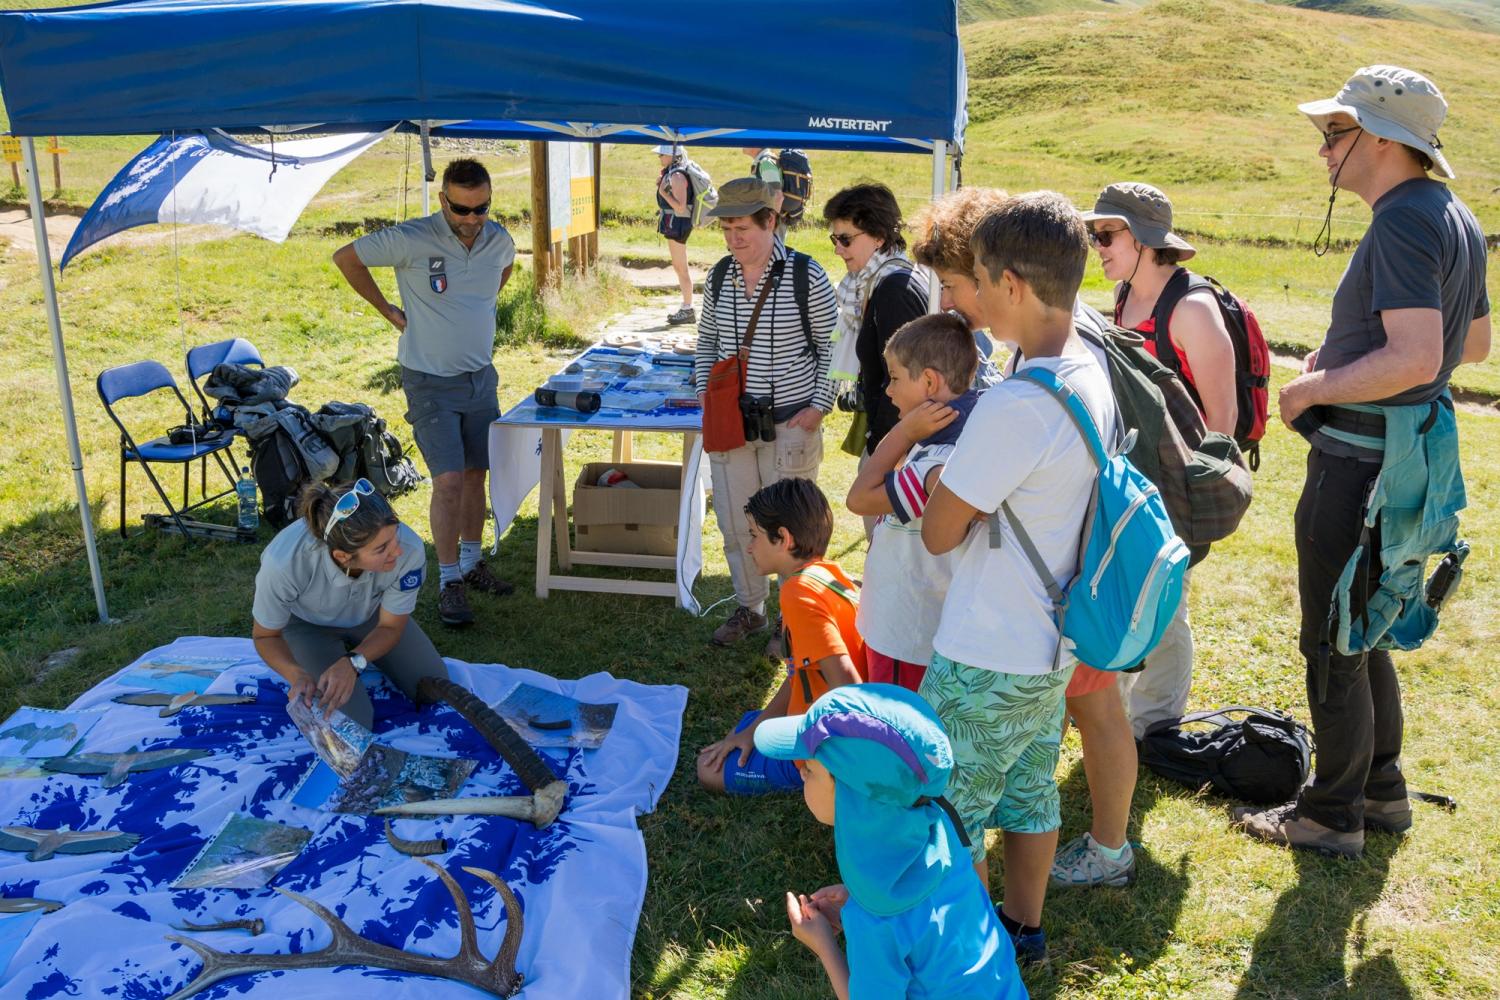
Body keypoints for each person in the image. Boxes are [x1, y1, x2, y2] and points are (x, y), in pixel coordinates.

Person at [1235, 66, 1489, 856]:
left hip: (1362, 463)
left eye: (1333, 133)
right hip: (1404, 458)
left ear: (1380, 138)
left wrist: (1316, 385)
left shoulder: (1402, 222)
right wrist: (1350, 356)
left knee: (1334, 635)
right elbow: (1470, 347)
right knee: (1368, 624)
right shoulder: (1453, 214)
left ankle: (1329, 814)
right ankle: (1380, 793)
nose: (1323, 151)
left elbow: (1415, 355)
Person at [920, 192, 1118, 963]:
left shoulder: (1015, 404)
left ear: (1009, 283)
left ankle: (962, 954)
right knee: (1031, 791)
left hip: (988, 644)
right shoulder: (1086, 368)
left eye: (975, 279)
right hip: (1052, 641)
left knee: (950, 805)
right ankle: (1024, 932)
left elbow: (940, 531)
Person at [332, 158, 515, 628]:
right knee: (449, 480)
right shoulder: (412, 237)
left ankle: (473, 564)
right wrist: (388, 310)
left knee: (477, 475)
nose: (472, 220)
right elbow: (346, 257)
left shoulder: (499, 240)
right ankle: (448, 579)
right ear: (443, 201)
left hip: (480, 377)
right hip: (430, 381)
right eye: (461, 209)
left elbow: (503, 270)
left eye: (481, 209)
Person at [757, 684, 1028, 1000]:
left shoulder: (876, 918)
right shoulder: (940, 828)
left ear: (853, 798)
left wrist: (823, 945)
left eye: (810, 769)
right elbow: (927, 919)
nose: (801, 774)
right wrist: (852, 900)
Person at [693, 176, 838, 647]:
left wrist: (818, 407)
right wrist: (704, 394)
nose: (734, 239)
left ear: (770, 222)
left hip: (792, 420)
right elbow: (707, 344)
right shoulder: (718, 276)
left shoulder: (806, 274)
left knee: (790, 531)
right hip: (733, 423)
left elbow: (836, 349)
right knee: (737, 522)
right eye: (727, 230)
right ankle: (750, 608)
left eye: (743, 229)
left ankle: (792, 618)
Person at [696, 478, 864, 795]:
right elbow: (803, 672)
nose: (749, 546)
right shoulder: (828, 573)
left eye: (754, 535)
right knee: (748, 725)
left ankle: (822, 776)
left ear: (783, 538)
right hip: (819, 722)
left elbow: (848, 685)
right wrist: (756, 729)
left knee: (708, 769)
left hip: (824, 745)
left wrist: (837, 767)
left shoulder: (798, 593)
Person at [845, 313, 980, 692]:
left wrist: (903, 432)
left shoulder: (936, 459)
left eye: (895, 378)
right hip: (914, 628)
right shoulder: (967, 429)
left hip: (906, 636)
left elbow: (859, 498)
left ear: (930, 382)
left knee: (896, 738)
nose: (888, 390)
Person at [251, 480, 449, 730]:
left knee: (434, 687)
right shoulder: (284, 562)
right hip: (306, 625)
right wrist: (296, 674)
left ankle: (355, 653)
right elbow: (265, 636)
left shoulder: (409, 548)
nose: (397, 552)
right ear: (343, 557)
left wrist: (354, 662)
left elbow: (390, 627)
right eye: (381, 549)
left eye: (395, 535)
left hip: (372, 617)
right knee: (351, 723)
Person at [823, 184, 932, 539]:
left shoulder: (893, 288)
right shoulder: (877, 281)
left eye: (846, 239)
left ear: (880, 237)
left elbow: (903, 379)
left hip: (898, 442)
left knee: (886, 543)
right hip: (893, 436)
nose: (839, 249)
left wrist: (888, 449)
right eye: (833, 239)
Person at [908, 186, 1012, 389]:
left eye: (948, 285)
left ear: (984, 274)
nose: (945, 303)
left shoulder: (1044, 356)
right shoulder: (1028, 349)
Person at [655, 145, 697, 326]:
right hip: (675, 223)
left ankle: (687, 309)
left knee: (681, 268)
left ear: (673, 156)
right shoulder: (673, 173)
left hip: (677, 224)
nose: (659, 157)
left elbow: (680, 207)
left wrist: (663, 192)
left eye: (662, 154)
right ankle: (686, 307)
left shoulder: (677, 176)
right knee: (679, 267)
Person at [745, 147, 787, 240]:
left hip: (768, 225)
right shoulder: (761, 162)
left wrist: (771, 226)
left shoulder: (766, 162)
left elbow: (777, 196)